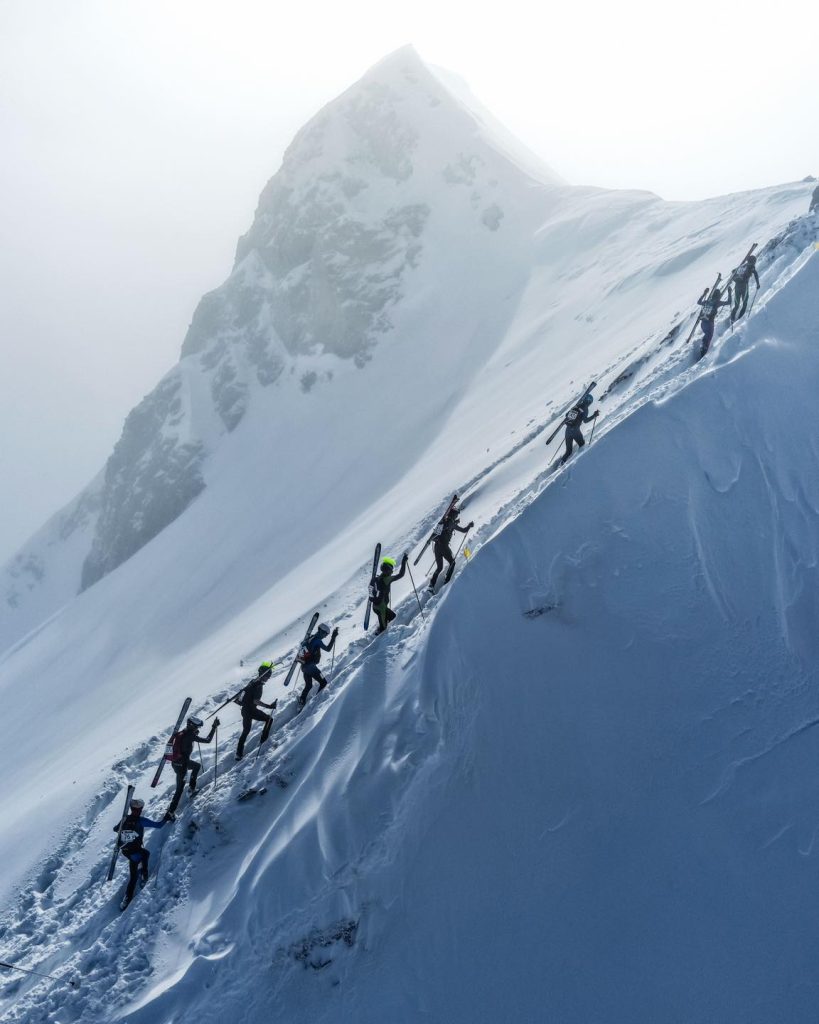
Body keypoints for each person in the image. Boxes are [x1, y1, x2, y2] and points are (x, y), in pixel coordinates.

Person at [113, 796, 168, 910]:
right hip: (136, 852)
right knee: (142, 860)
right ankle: (143, 877)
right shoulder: (140, 821)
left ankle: (126, 900)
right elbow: (159, 825)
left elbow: (115, 829)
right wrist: (166, 817)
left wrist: (123, 825)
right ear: (138, 810)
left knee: (144, 855)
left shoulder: (125, 819)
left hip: (126, 851)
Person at [166, 714, 218, 815]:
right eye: (197, 727)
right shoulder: (190, 735)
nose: (198, 728)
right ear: (192, 726)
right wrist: (213, 727)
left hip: (176, 762)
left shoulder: (183, 732)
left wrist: (194, 734)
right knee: (179, 789)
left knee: (196, 766)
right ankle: (170, 812)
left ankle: (191, 788)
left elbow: (186, 740)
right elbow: (207, 740)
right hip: (182, 766)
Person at [235, 662, 277, 760]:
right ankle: (264, 740)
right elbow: (255, 701)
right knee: (269, 719)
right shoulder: (259, 686)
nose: (269, 678)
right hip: (251, 710)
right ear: (264, 675)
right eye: (268, 675)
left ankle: (238, 753)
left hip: (245, 710)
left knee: (245, 731)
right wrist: (269, 706)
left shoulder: (252, 682)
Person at [429, 506, 473, 589]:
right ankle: (446, 582)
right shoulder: (451, 524)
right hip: (444, 547)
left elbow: (434, 536)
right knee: (452, 563)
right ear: (453, 515)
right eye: (456, 515)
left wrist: (455, 523)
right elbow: (464, 530)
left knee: (439, 568)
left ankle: (431, 585)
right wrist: (469, 525)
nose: (456, 517)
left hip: (436, 547)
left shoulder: (442, 522)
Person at [297, 623, 338, 708]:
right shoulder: (317, 640)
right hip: (311, 667)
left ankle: (301, 702)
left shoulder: (310, 638)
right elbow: (328, 649)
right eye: (326, 634)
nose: (325, 636)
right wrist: (333, 637)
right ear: (322, 632)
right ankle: (316, 703)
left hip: (304, 666)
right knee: (323, 682)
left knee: (308, 685)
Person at [370, 554, 408, 633]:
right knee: (383, 629)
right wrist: (404, 562)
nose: (392, 571)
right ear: (388, 570)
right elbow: (401, 574)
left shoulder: (377, 578)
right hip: (381, 608)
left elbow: (370, 589)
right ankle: (378, 634)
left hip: (376, 606)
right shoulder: (386, 579)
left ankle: (382, 624)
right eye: (391, 569)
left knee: (393, 617)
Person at [560, 394, 599, 465]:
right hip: (575, 431)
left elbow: (566, 415)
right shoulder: (585, 408)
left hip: (567, 430)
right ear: (590, 402)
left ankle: (561, 463)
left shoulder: (577, 406)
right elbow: (585, 421)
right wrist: (594, 415)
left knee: (568, 451)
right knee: (582, 444)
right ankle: (580, 462)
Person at [696, 284, 731, 359]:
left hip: (703, 323)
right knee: (709, 337)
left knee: (706, 336)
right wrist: (729, 292)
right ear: (718, 295)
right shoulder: (717, 302)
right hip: (709, 324)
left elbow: (698, 302)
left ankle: (702, 347)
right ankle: (703, 354)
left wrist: (704, 294)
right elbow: (729, 302)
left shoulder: (707, 301)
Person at [730, 253, 760, 322]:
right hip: (744, 287)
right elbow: (755, 274)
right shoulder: (751, 266)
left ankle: (732, 318)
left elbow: (733, 271)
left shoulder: (742, 266)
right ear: (753, 261)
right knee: (744, 303)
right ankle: (739, 319)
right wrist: (758, 284)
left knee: (736, 305)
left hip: (737, 286)